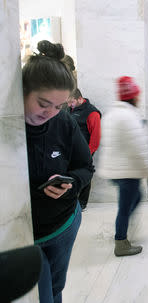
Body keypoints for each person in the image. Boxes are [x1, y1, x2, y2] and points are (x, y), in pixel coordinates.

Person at [23, 40, 94, 302]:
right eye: (43, 103)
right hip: (21, 234)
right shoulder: (9, 127)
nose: (51, 113)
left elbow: (86, 167)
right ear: (23, 92)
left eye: (59, 106)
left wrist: (72, 182)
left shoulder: (63, 121)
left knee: (53, 289)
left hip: (62, 225)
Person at [97, 76, 148, 257]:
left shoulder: (111, 114)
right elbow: (139, 148)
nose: (139, 99)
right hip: (126, 171)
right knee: (125, 207)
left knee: (134, 198)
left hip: (115, 170)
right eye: (137, 96)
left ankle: (121, 228)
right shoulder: (129, 116)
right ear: (132, 97)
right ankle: (121, 242)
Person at [67, 88, 101, 210]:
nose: (70, 105)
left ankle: (82, 202)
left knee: (85, 174)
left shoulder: (92, 113)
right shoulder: (70, 109)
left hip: (85, 151)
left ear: (80, 99)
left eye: (72, 102)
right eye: (68, 103)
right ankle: (71, 200)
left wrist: (87, 153)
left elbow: (95, 137)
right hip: (69, 150)